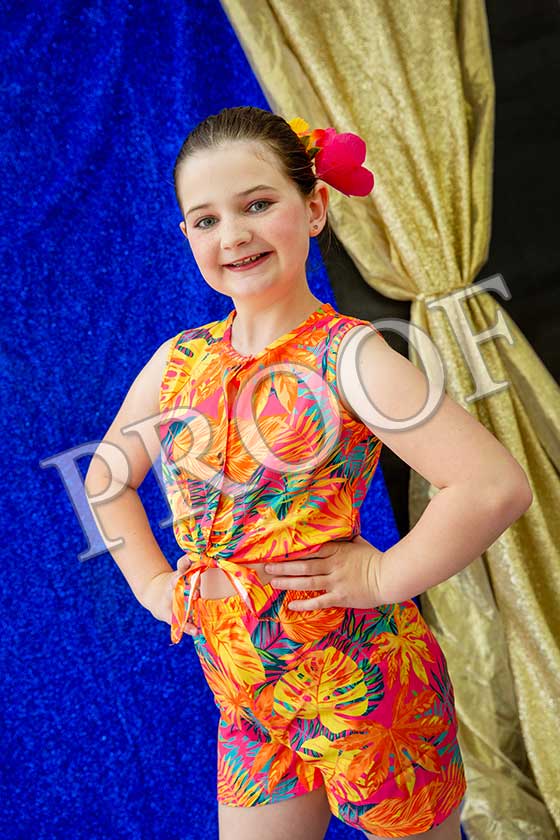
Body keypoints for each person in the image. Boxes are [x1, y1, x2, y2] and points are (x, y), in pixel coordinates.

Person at [84, 106, 533, 840]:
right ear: (187, 235)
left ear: (315, 208)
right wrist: (154, 586)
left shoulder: (348, 356)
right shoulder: (178, 362)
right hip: (246, 701)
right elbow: (105, 479)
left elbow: (492, 486)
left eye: (258, 204)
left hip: (366, 692)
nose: (233, 234)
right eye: (206, 219)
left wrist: (384, 577)